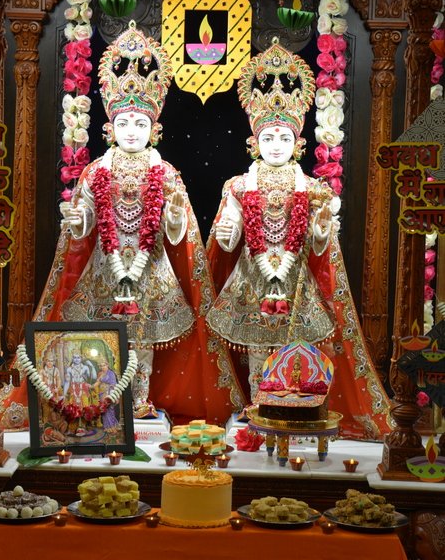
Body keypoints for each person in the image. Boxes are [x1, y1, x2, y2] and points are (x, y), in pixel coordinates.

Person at [33, 21, 244, 423]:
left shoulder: (164, 172)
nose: (132, 131)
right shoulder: (96, 170)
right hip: (105, 269)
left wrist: (174, 218)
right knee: (104, 340)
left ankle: (142, 401)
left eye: (141, 124)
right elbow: (85, 222)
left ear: (155, 129)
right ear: (110, 127)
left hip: (151, 268)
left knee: (145, 339)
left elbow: (177, 232)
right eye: (125, 123)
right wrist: (79, 220)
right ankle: (107, 399)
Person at [206, 38, 390, 439]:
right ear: (254, 142)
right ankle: (258, 406)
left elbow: (320, 246)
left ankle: (287, 405)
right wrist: (226, 233)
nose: (276, 146)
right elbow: (229, 237)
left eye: (284, 138)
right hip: (251, 278)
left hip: (296, 283)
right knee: (257, 347)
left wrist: (322, 228)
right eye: (269, 138)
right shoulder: (239, 185)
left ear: (298, 143)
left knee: (292, 349)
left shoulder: (312, 189)